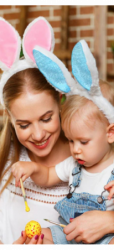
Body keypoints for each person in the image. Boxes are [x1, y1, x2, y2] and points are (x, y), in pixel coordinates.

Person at [0, 17, 114, 246]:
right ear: (10, 118)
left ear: (60, 101)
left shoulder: (89, 157)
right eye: (24, 125)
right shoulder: (13, 163)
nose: (37, 135)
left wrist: (109, 220)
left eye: (46, 119)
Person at [12, 40, 114, 245]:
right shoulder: (74, 166)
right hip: (68, 234)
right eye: (70, 140)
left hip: (105, 237)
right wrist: (32, 167)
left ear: (110, 133)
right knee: (41, 236)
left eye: (83, 142)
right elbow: (48, 175)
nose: (75, 150)